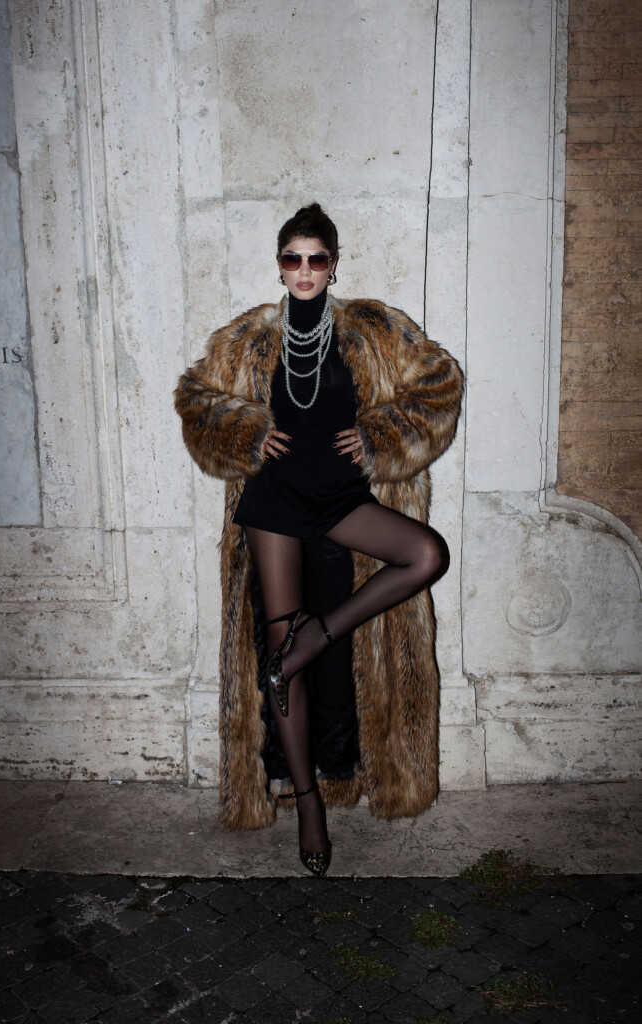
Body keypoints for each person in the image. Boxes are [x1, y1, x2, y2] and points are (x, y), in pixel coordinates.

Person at [175, 204, 463, 877]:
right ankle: (307, 803)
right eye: (291, 258)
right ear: (279, 264)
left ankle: (321, 633)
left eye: (316, 259)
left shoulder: (372, 328)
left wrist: (379, 435)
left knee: (425, 554)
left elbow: (440, 383)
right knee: (283, 662)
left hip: (339, 496)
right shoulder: (248, 336)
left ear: (333, 266)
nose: (303, 270)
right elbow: (194, 398)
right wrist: (244, 430)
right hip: (274, 500)